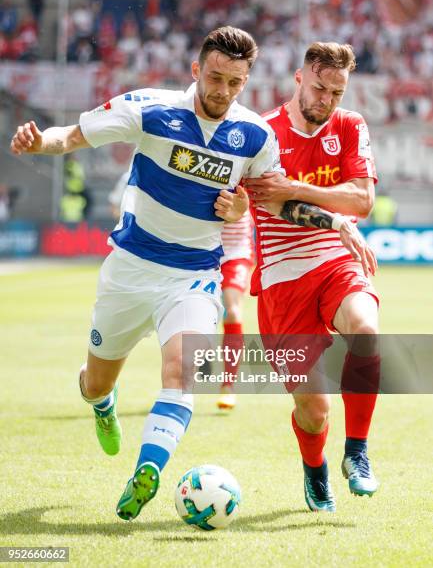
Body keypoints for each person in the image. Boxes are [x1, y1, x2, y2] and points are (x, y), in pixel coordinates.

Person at [10, 28, 373, 523]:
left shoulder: (254, 136)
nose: (222, 91)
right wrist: (38, 143)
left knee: (182, 375)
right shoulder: (150, 109)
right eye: (216, 77)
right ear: (196, 70)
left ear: (246, 82)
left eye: (234, 82)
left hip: (194, 275)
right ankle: (102, 401)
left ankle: (146, 472)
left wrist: (330, 222)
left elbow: (279, 201)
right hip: (130, 268)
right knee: (95, 383)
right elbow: (72, 136)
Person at [245, 42, 380, 512]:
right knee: (314, 408)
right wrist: (334, 213)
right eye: (320, 88)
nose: (327, 101)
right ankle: (316, 467)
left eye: (337, 92)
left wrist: (302, 190)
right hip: (282, 279)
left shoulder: (350, 125)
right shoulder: (262, 132)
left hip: (335, 260)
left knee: (366, 329)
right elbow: (273, 202)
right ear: (299, 77)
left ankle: (357, 453)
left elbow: (362, 199)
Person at [217, 211, 255, 410]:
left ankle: (228, 385)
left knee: (232, 311)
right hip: (203, 253)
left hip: (236, 253)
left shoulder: (246, 179)